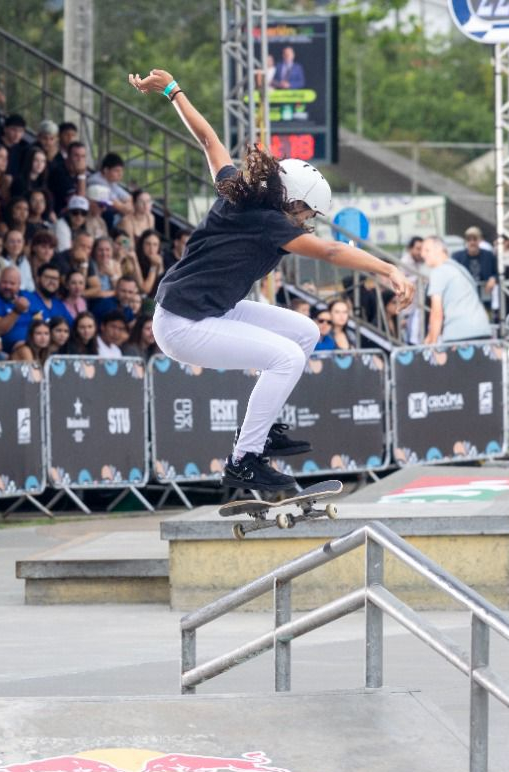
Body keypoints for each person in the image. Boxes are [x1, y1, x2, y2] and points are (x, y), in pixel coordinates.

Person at [130, 66, 412, 495]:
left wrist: (172, 89)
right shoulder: (271, 223)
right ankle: (244, 462)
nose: (307, 225)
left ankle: (262, 433)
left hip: (206, 308)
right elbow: (334, 252)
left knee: (304, 331)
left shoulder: (236, 190)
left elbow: (209, 140)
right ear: (293, 202)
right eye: (307, 215)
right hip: (183, 325)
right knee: (286, 358)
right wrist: (388, 268)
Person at [420, 237, 491, 345]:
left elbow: (436, 312)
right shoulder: (459, 268)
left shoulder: (439, 272)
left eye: (427, 250)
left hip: (459, 334)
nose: (422, 254)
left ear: (439, 249)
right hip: (483, 330)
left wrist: (431, 344)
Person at [453, 226, 499, 311]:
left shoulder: (488, 255)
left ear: (480, 240)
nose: (472, 242)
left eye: (475, 239)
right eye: (469, 240)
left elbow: (498, 273)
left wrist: (493, 279)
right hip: (464, 297)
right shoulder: (457, 257)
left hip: (484, 296)